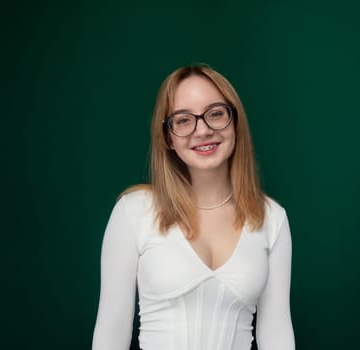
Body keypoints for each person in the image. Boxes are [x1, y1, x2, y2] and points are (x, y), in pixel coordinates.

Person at [92, 64, 295, 350]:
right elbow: (110, 337)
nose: (202, 130)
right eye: (183, 120)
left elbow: (277, 335)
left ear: (235, 123)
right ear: (168, 137)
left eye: (215, 114)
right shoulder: (133, 212)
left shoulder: (272, 219)